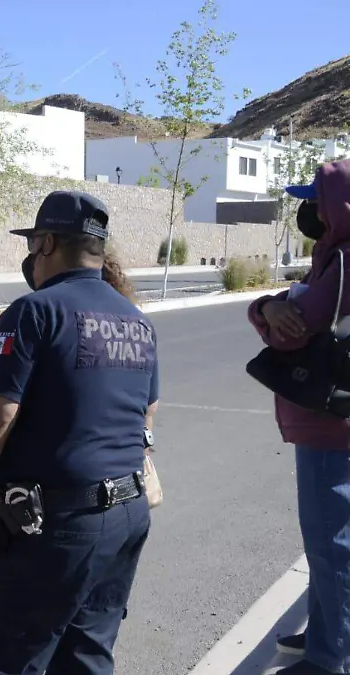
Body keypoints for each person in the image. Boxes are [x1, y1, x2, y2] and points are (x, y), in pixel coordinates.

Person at [0, 190, 158, 674]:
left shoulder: (36, 311)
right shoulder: (135, 320)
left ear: (46, 245)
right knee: (84, 657)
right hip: (125, 516)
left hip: (56, 530)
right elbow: (148, 413)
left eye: (34, 242)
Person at [247, 159, 350, 675]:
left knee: (331, 542)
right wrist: (272, 303)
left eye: (315, 201)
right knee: (333, 541)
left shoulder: (345, 262)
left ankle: (331, 657)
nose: (306, 211)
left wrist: (265, 309)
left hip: (332, 424)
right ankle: (325, 634)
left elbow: (295, 326)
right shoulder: (334, 258)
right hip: (336, 420)